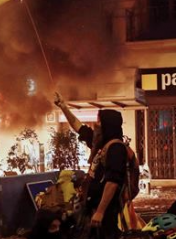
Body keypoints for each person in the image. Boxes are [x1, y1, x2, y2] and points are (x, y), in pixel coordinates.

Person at [54, 92, 127, 239]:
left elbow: (112, 182)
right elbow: (78, 127)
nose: (96, 125)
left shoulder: (116, 148)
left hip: (105, 211)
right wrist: (63, 107)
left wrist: (100, 211)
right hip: (92, 207)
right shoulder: (101, 144)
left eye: (99, 122)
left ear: (108, 125)